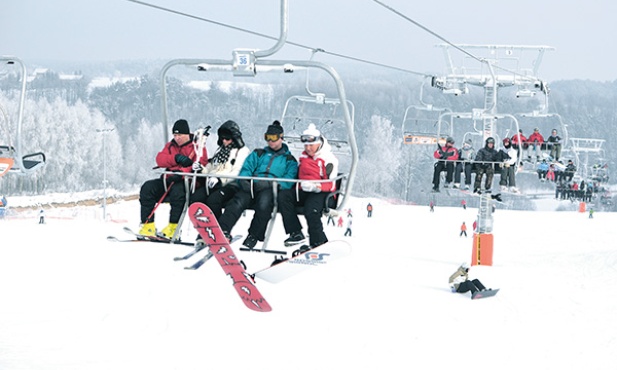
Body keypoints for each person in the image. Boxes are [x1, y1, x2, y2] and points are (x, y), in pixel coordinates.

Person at [217, 120, 298, 249]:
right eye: (267, 138)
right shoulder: (259, 153)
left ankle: (254, 235)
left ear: (281, 138)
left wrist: (273, 185)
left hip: (270, 188)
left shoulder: (289, 160)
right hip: (253, 185)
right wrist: (244, 180)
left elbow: (289, 179)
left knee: (264, 203)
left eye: (273, 138)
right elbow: (247, 168)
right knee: (238, 200)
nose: (270, 141)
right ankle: (223, 230)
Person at [139, 119, 209, 238]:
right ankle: (148, 226)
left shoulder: (197, 147)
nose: (177, 138)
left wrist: (181, 172)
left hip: (186, 182)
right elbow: (160, 159)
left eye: (180, 135)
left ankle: (173, 228)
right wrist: (175, 158)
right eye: (175, 135)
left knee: (178, 192)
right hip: (168, 179)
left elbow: (199, 164)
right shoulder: (170, 146)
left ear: (187, 134)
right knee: (147, 188)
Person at [278, 123, 339, 248]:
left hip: (322, 192)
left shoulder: (328, 159)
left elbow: (330, 183)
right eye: (306, 145)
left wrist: (315, 186)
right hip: (304, 189)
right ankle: (295, 232)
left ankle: (318, 242)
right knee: (284, 196)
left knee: (311, 210)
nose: (308, 148)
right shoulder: (304, 157)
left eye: (311, 145)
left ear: (319, 143)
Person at [189, 120, 250, 219]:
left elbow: (237, 172)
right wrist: (201, 169)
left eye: (227, 138)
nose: (224, 141)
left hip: (231, 185)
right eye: (222, 138)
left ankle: (218, 226)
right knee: (196, 199)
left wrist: (220, 179)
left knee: (213, 200)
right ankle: (204, 225)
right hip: (213, 183)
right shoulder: (220, 151)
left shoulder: (242, 151)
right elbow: (211, 167)